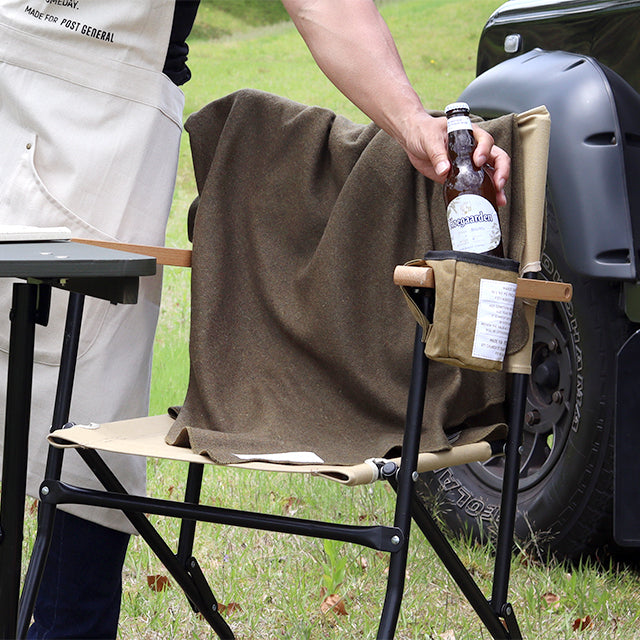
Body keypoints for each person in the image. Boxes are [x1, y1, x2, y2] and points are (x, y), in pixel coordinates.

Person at [0, 1, 509, 638]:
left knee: (78, 464)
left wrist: (413, 125)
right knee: (75, 468)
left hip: (94, 130)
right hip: (57, 114)